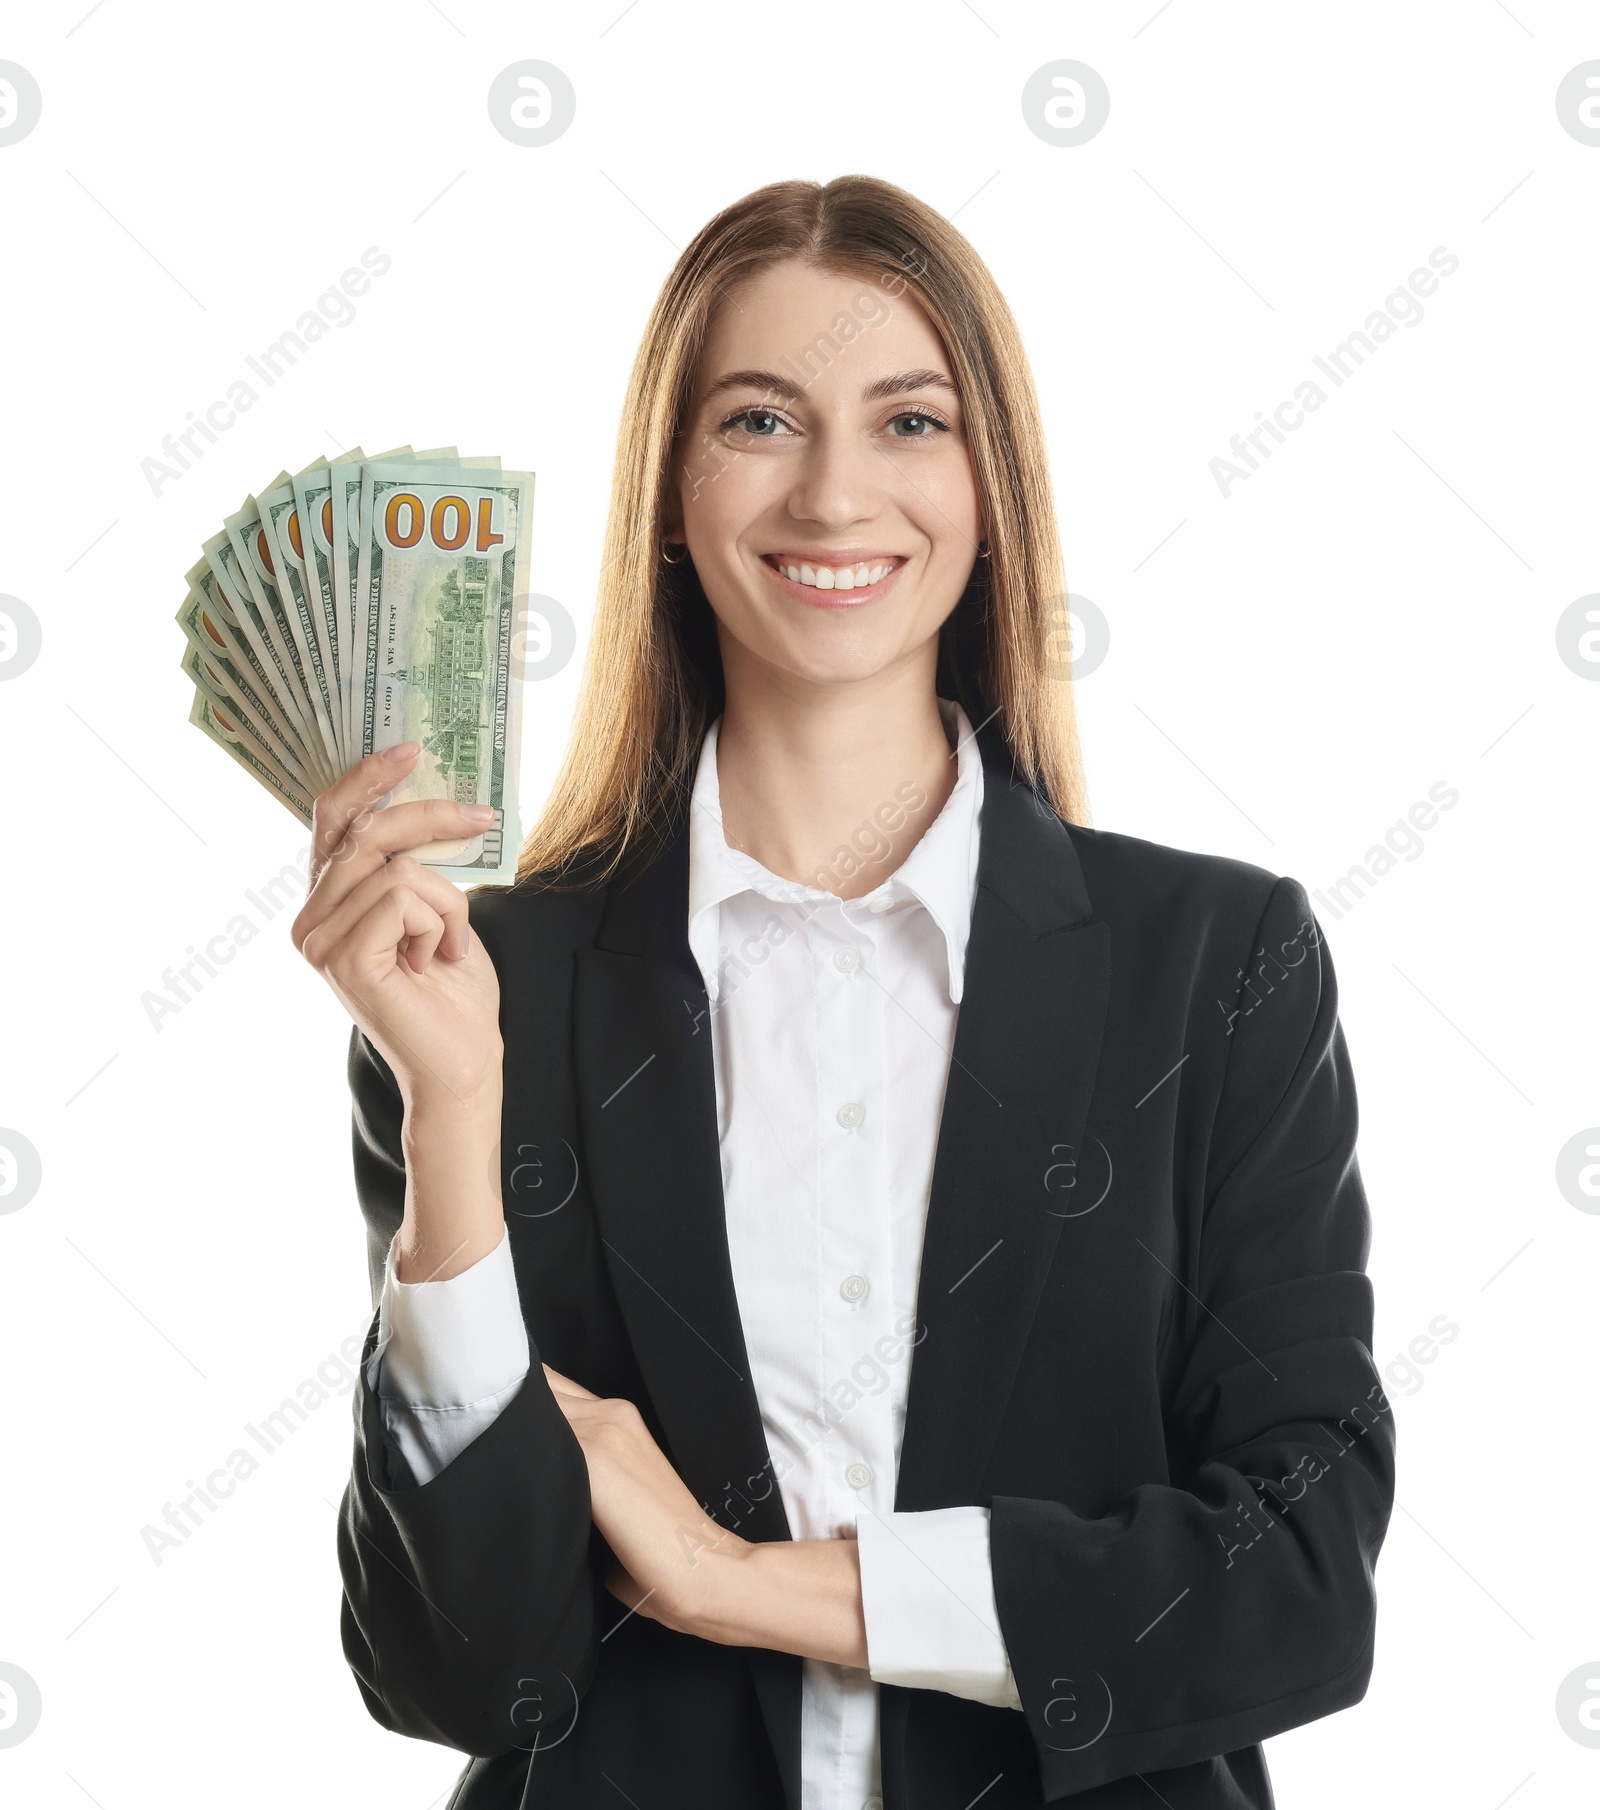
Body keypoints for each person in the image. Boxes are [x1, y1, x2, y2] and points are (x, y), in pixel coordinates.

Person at [294, 175, 1394, 1810]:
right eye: (758, 419)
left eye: (908, 420)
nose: (831, 491)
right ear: (672, 490)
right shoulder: (487, 986)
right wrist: (455, 1107)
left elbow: (1296, 1574)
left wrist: (732, 1580)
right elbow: (456, 1666)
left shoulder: (1218, 966)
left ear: (989, 486)